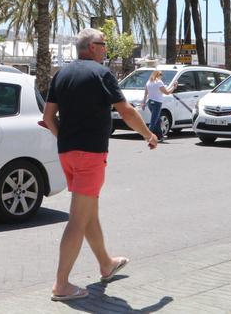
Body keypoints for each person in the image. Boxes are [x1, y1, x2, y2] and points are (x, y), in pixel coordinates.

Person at [43, 28, 158, 302]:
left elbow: (48, 117)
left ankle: (106, 263)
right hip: (90, 155)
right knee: (78, 219)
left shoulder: (62, 74)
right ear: (92, 47)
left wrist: (65, 139)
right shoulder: (101, 74)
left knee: (89, 211)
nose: (106, 49)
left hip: (68, 153)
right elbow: (127, 111)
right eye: (104, 44)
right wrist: (148, 134)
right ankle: (61, 285)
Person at [144, 69, 175, 141]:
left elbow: (146, 93)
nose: (162, 76)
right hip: (157, 103)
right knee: (154, 121)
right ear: (158, 75)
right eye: (161, 74)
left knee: (157, 120)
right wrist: (174, 87)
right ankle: (148, 137)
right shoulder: (159, 82)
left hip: (150, 102)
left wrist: (143, 102)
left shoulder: (149, 82)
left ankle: (160, 136)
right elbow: (167, 92)